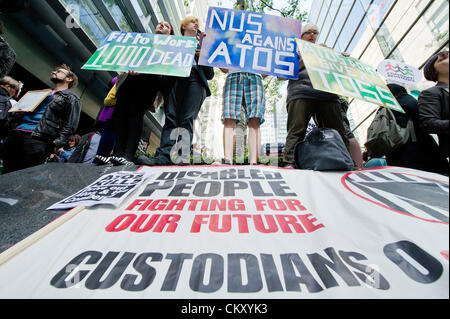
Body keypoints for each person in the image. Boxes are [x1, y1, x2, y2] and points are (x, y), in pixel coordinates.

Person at [137, 16, 214, 166]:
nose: (196, 24)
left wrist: (203, 53)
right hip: (174, 79)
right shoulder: (172, 43)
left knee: (187, 119)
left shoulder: (202, 46)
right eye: (192, 22)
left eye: (197, 22)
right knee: (171, 117)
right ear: (183, 27)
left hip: (195, 80)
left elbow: (210, 75)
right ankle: (163, 157)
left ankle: (182, 157)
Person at [279, 24, 350, 168]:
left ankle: (346, 160)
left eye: (315, 32)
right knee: (296, 130)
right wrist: (306, 59)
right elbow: (280, 76)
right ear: (301, 36)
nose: (312, 35)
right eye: (308, 33)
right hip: (301, 92)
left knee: (338, 130)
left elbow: (338, 69)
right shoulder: (292, 52)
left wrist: (342, 60)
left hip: (327, 94)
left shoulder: (325, 50)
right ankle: (289, 163)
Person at [107, 21, 175, 166]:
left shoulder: (171, 48)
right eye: (160, 24)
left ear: (170, 33)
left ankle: (128, 155)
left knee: (135, 115)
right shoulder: (143, 42)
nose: (161, 25)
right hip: (129, 80)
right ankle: (118, 154)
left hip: (149, 84)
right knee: (120, 114)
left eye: (166, 26)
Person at [2, 64, 81, 174]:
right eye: (54, 70)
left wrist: (53, 144)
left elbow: (71, 125)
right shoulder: (42, 92)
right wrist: (18, 114)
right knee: (6, 171)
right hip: (17, 132)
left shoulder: (72, 98)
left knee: (23, 175)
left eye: (59, 72)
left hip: (38, 138)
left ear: (69, 79)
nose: (54, 72)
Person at [386, 82, 448, 174]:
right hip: (417, 147)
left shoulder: (385, 107)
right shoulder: (406, 99)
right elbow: (424, 118)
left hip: (395, 151)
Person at [418, 51, 449, 171]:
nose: (444, 54)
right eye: (440, 59)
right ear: (434, 72)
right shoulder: (431, 93)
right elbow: (428, 123)